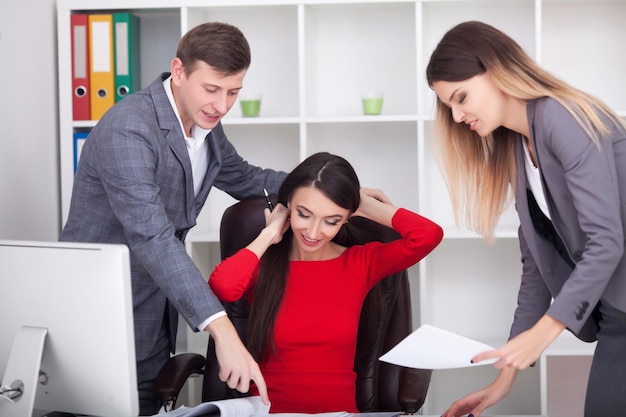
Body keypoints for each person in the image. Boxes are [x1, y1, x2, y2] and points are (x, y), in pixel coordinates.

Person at [60, 21, 287, 415]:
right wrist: (224, 332)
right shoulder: (129, 129)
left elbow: (247, 177)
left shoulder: (205, 126)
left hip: (156, 302)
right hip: (100, 308)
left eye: (233, 92)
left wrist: (323, 184)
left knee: (145, 404)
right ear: (179, 71)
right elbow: (153, 237)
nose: (222, 105)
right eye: (212, 89)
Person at [426, 20, 626, 417]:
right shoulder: (518, 148)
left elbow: (606, 242)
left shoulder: (560, 119)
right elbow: (536, 267)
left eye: (461, 97)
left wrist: (544, 332)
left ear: (496, 69)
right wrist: (504, 380)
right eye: (449, 105)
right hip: (616, 315)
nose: (457, 114)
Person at [208, 152, 443, 413]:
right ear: (287, 207)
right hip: (268, 412)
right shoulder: (263, 265)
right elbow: (223, 287)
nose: (313, 232)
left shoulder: (361, 262)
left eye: (331, 220)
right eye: (304, 214)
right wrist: (269, 234)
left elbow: (428, 236)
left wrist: (364, 204)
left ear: (346, 218)